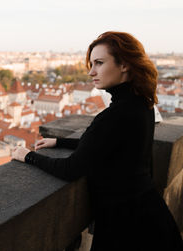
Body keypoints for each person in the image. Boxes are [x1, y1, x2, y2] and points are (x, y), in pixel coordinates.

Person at [12, 31, 183, 251]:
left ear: (125, 65)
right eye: (91, 64)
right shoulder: (142, 104)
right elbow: (104, 144)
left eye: (99, 63)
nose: (91, 72)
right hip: (149, 213)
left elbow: (71, 169)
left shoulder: (114, 115)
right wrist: (61, 142)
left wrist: (28, 156)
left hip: (125, 225)